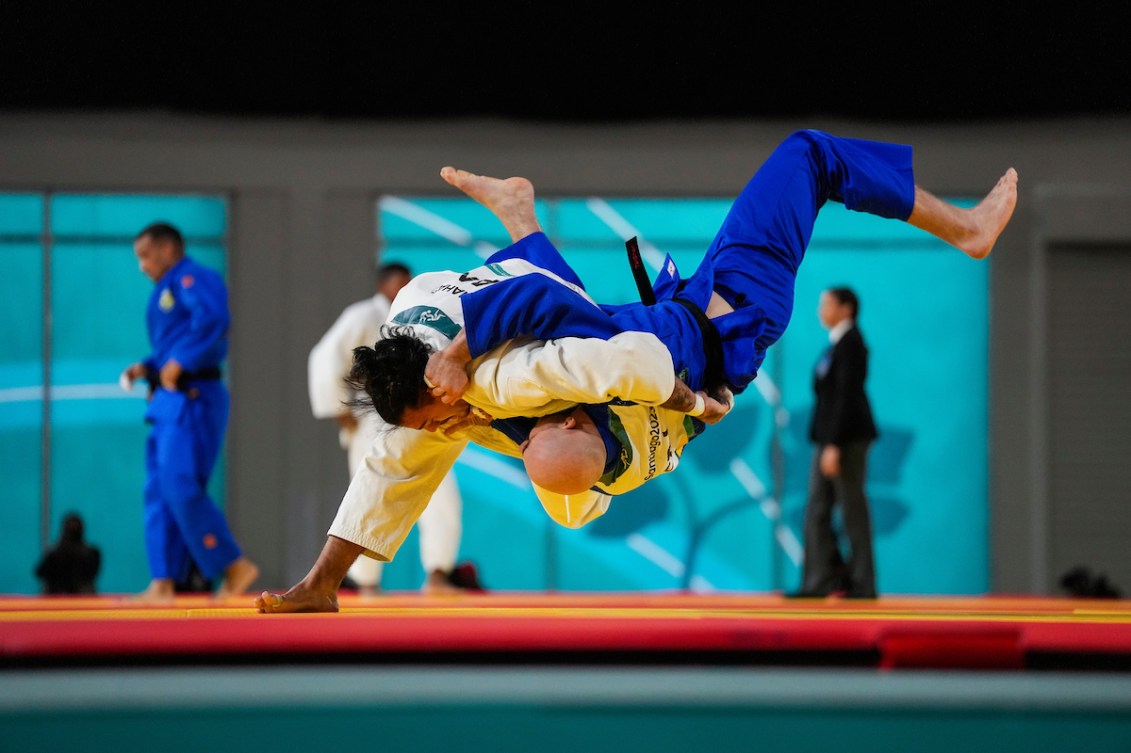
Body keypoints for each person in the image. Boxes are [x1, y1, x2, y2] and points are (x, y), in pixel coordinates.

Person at [257, 129, 1016, 613]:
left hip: (686, 333)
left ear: (435, 370)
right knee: (802, 157)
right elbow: (392, 459)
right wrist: (323, 580)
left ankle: (968, 231)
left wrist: (692, 400)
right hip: (690, 321)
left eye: (441, 409)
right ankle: (522, 220)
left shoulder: (479, 367)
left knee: (806, 155)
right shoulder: (422, 315)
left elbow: (551, 306)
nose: (448, 423)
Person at [307, 262, 476, 594]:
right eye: (401, 281)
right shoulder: (362, 314)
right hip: (373, 419)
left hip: (425, 411)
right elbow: (324, 357)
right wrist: (337, 407)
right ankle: (366, 581)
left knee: (443, 495)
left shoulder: (418, 313)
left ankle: (438, 573)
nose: (406, 285)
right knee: (370, 493)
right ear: (385, 283)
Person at [121, 222, 258, 603]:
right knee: (159, 490)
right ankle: (162, 580)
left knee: (180, 485)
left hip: (195, 396)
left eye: (146, 256)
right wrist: (148, 367)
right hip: (169, 402)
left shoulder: (192, 278)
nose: (142, 266)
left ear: (167, 249)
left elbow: (213, 319)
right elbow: (173, 345)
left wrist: (181, 360)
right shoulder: (166, 289)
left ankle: (233, 564)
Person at [794, 287, 879, 598]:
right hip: (830, 437)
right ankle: (822, 580)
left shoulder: (851, 344)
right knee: (817, 509)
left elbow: (845, 397)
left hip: (845, 440)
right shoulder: (836, 344)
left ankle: (863, 583)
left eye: (827, 304)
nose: (821, 310)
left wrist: (833, 445)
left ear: (846, 308)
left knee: (851, 508)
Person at [34, 512, 101, 594]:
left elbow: (39, 572)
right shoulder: (92, 553)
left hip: (56, 600)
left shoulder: (54, 554)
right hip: (85, 599)